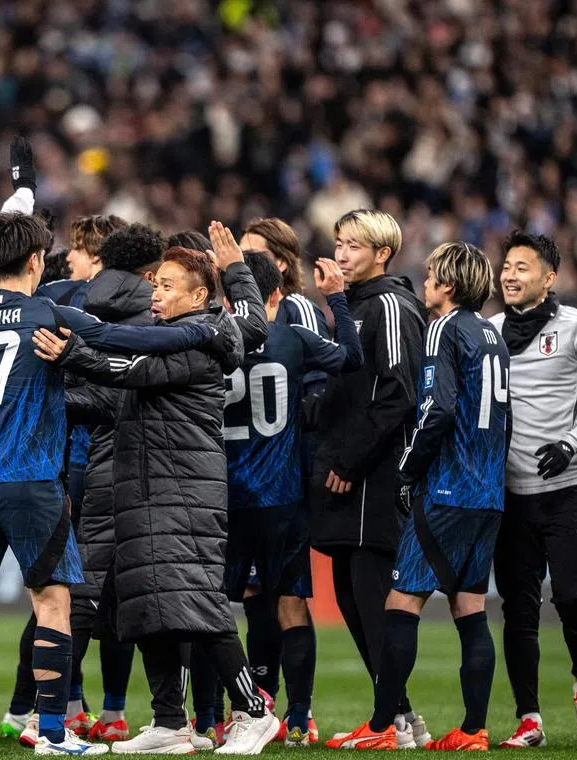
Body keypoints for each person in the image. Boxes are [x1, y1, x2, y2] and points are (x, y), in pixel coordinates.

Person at [0, 212, 222, 756]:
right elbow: (122, 336)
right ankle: (51, 732)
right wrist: (205, 330)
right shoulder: (48, 312)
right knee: (54, 605)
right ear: (36, 261)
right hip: (33, 483)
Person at [34, 244, 283, 756]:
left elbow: (128, 372)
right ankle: (171, 722)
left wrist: (72, 353)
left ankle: (254, 713)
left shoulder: (193, 348)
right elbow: (109, 398)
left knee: (196, 604)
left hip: (184, 492)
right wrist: (49, 400)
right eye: (156, 284)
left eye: (168, 286)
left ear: (197, 297)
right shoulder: (168, 343)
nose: (157, 294)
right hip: (146, 492)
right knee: (152, 608)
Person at [329, 242, 509, 752]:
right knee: (470, 607)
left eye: (432, 273)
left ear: (449, 285)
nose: (424, 279)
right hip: (488, 493)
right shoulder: (490, 336)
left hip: (448, 488)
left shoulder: (444, 328)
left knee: (400, 600)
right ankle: (474, 731)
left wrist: (407, 473)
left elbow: (438, 410)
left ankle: (383, 726)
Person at [217, 235, 363, 747]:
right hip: (282, 493)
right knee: (292, 602)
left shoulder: (215, 339)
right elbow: (351, 357)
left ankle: (233, 710)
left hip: (227, 495)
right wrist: (337, 300)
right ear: (276, 295)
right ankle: (300, 716)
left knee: (227, 606)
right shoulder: (294, 339)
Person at [488, 231, 577, 748]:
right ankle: (529, 719)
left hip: (567, 488)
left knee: (572, 597)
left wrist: (570, 442)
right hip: (510, 494)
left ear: (549, 278)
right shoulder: (490, 331)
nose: (510, 274)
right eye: (506, 265)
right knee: (517, 610)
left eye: (522, 266)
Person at [3, 214, 129, 745]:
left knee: (60, 594)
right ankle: (100, 710)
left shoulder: (59, 298)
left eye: (77, 251)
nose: (69, 260)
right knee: (98, 595)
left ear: (95, 257)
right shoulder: (120, 306)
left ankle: (45, 708)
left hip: (69, 465)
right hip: (99, 463)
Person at [308, 209, 430, 748]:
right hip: (349, 468)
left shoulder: (389, 305)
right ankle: (401, 717)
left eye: (354, 245)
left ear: (382, 253)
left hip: (373, 473)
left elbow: (398, 392)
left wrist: (350, 461)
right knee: (352, 594)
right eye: (338, 243)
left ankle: (390, 724)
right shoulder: (355, 306)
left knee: (370, 592)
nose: (341, 253)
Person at [238, 217, 328, 742]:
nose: (242, 265)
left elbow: (317, 387)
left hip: (283, 482)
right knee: (255, 602)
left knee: (285, 600)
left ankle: (299, 712)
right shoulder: (235, 313)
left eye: (254, 255)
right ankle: (264, 708)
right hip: (244, 484)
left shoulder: (296, 311)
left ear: (281, 262)